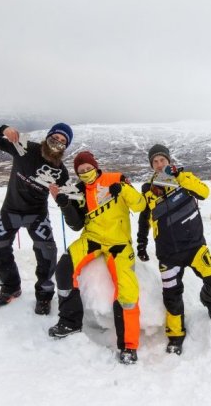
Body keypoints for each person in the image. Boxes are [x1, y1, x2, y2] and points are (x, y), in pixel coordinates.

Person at [48, 151, 146, 364]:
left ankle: (128, 346)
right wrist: (64, 204)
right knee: (64, 268)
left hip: (119, 243)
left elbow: (140, 205)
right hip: (92, 238)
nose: (85, 173)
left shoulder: (116, 179)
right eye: (80, 171)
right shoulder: (79, 190)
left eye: (88, 168)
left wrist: (124, 190)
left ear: (95, 166)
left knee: (127, 290)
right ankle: (70, 322)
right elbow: (76, 224)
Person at [136, 144, 211, 355]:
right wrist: (141, 244)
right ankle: (176, 336)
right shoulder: (149, 191)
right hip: (168, 253)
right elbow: (143, 220)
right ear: (152, 165)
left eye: (162, 160)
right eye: (155, 162)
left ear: (168, 160)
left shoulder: (183, 178)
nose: (159, 164)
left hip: (195, 246)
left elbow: (204, 192)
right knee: (172, 297)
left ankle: (209, 302)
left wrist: (180, 176)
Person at [0, 122, 72, 315]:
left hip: (37, 215)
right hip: (10, 210)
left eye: (62, 141)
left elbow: (67, 196)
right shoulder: (24, 148)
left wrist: (62, 198)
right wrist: (3, 129)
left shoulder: (60, 171)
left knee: (48, 253)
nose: (57, 142)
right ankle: (10, 287)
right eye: (55, 137)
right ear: (48, 136)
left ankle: (44, 295)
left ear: (65, 147)